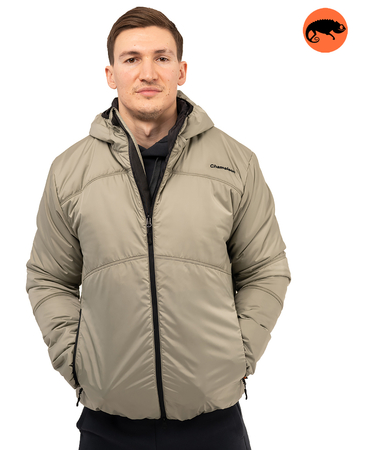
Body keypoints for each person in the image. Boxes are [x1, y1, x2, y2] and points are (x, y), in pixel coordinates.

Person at [26, 6, 291, 450]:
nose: (147, 72)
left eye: (161, 58)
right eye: (131, 59)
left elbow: (266, 270)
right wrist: (76, 359)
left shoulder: (236, 164)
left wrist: (237, 355)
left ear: (181, 70)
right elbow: (49, 277)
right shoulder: (69, 172)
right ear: (111, 74)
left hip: (213, 422)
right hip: (107, 424)